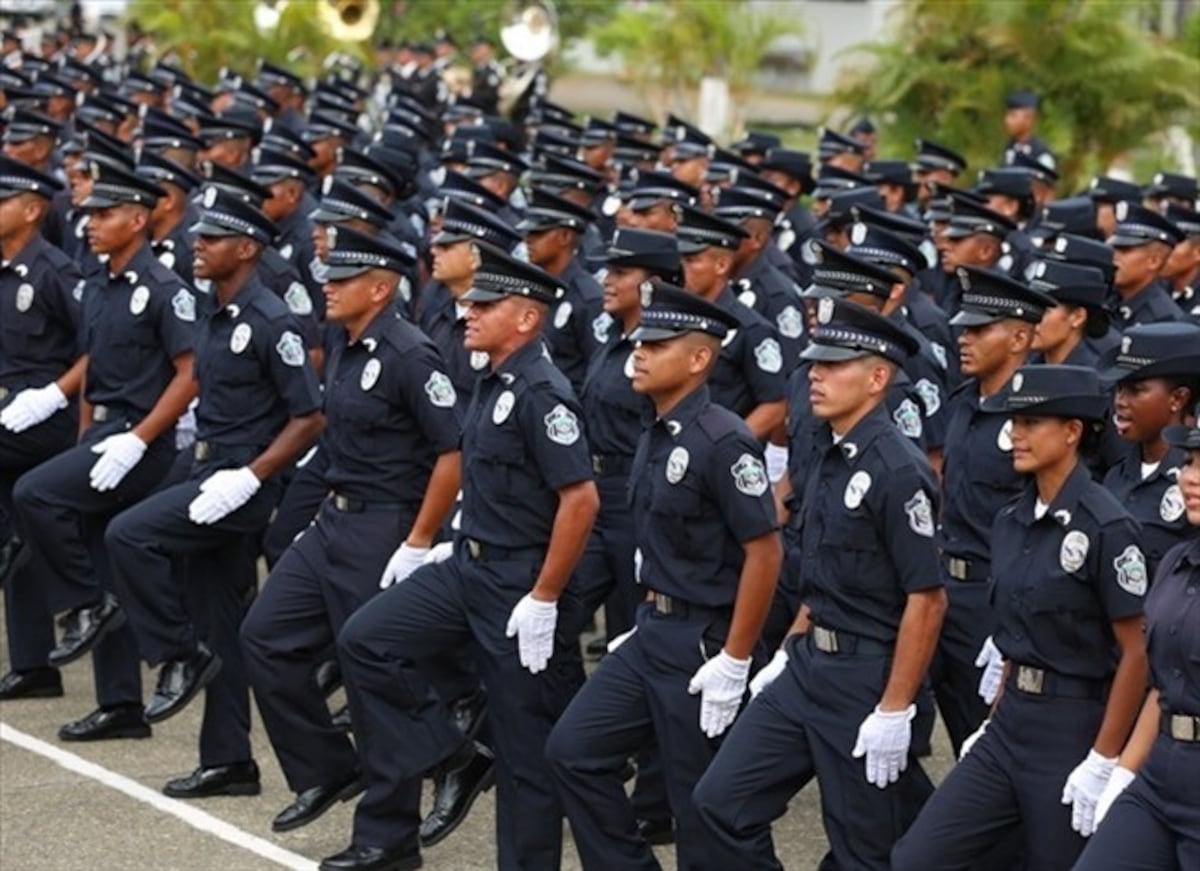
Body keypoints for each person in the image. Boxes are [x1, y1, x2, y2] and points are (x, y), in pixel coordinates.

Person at [327, 244, 598, 871]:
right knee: (366, 639)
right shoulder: (491, 377)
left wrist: (546, 596)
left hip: (521, 581)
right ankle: (452, 751)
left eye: (484, 303)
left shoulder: (541, 392)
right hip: (468, 563)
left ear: (527, 318)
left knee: (527, 747)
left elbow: (580, 501)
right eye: (469, 300)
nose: (466, 311)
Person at [690, 297, 941, 870]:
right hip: (808, 663)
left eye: (833, 366)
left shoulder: (898, 471)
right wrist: (786, 650)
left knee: (864, 850)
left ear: (878, 378)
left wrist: (895, 706)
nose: (815, 376)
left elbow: (926, 599)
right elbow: (823, 574)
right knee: (721, 802)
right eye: (814, 365)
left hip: (864, 675)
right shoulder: (828, 454)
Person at [546, 280, 783, 871]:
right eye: (640, 343)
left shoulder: (723, 440)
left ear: (700, 359)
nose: (640, 353)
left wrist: (734, 658)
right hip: (653, 628)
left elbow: (765, 552)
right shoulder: (655, 430)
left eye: (659, 344)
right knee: (572, 751)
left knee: (701, 808)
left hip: (702, 639)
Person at [103, 186, 323, 795]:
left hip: (238, 482)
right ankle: (230, 761)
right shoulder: (213, 310)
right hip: (203, 472)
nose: (197, 246)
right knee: (221, 619)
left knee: (128, 535)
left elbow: (309, 415)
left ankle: (176, 653)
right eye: (197, 236)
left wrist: (253, 477)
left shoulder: (271, 318)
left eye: (213, 239)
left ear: (247, 248)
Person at [241, 226, 462, 820]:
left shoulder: (410, 353)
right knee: (263, 636)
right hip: (333, 519)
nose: (328, 289)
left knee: (368, 674)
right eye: (328, 279)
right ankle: (329, 768)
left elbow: (453, 451)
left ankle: (390, 832)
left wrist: (419, 539)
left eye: (343, 281)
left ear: (382, 287)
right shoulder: (345, 342)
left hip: (384, 526)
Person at [892, 364, 1149, 870]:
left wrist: (1104, 758)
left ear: (1073, 432)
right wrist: (991, 723)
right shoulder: (1010, 520)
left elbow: (1137, 652)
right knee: (918, 857)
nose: (1015, 435)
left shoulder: (1107, 526)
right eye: (1015, 422)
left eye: (1032, 422)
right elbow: (1018, 638)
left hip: (1072, 726)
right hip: (1011, 722)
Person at [9, 160, 196, 741]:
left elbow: (190, 375)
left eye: (106, 214)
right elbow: (95, 372)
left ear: (138, 220)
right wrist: (84, 432)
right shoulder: (98, 285)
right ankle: (121, 704)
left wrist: (138, 440)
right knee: (101, 552)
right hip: (103, 435)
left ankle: (84, 603)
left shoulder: (163, 289)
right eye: (89, 214)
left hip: (143, 442)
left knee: (33, 493)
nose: (91, 223)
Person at [1072, 407, 1200, 871]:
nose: (1190, 478)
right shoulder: (1177, 562)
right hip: (1163, 767)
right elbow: (1163, 684)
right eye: (1189, 462)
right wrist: (1123, 772)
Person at [934, 267, 1055, 754]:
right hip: (947, 585)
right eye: (964, 327)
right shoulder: (964, 402)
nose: (965, 338)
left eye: (980, 330)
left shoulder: (1037, 415)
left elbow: (1045, 518)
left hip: (996, 594)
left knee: (996, 743)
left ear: (1021, 336)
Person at [0, 158, 84, 699]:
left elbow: (98, 350)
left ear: (32, 211)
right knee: (17, 534)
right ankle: (33, 665)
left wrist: (53, 394)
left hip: (46, 421)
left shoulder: (56, 272)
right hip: (6, 421)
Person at [1100, 323, 1200, 574]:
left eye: (1136, 390)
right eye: (1119, 388)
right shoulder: (1115, 477)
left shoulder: (1192, 483)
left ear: (1177, 399)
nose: (1120, 402)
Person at [1108, 202, 1187, 329]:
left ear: (1154, 261)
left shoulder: (1165, 321)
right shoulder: (1108, 301)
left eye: (1125, 250)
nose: (1114, 256)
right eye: (1114, 249)